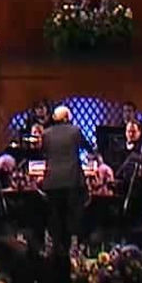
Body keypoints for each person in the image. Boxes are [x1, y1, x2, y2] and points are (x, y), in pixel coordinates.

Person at [42, 105, 85, 262]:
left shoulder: (46, 133)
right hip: (71, 179)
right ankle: (70, 252)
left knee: (55, 215)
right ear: (67, 117)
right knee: (71, 215)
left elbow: (44, 152)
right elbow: (85, 146)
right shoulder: (75, 131)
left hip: (52, 181)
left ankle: (55, 249)